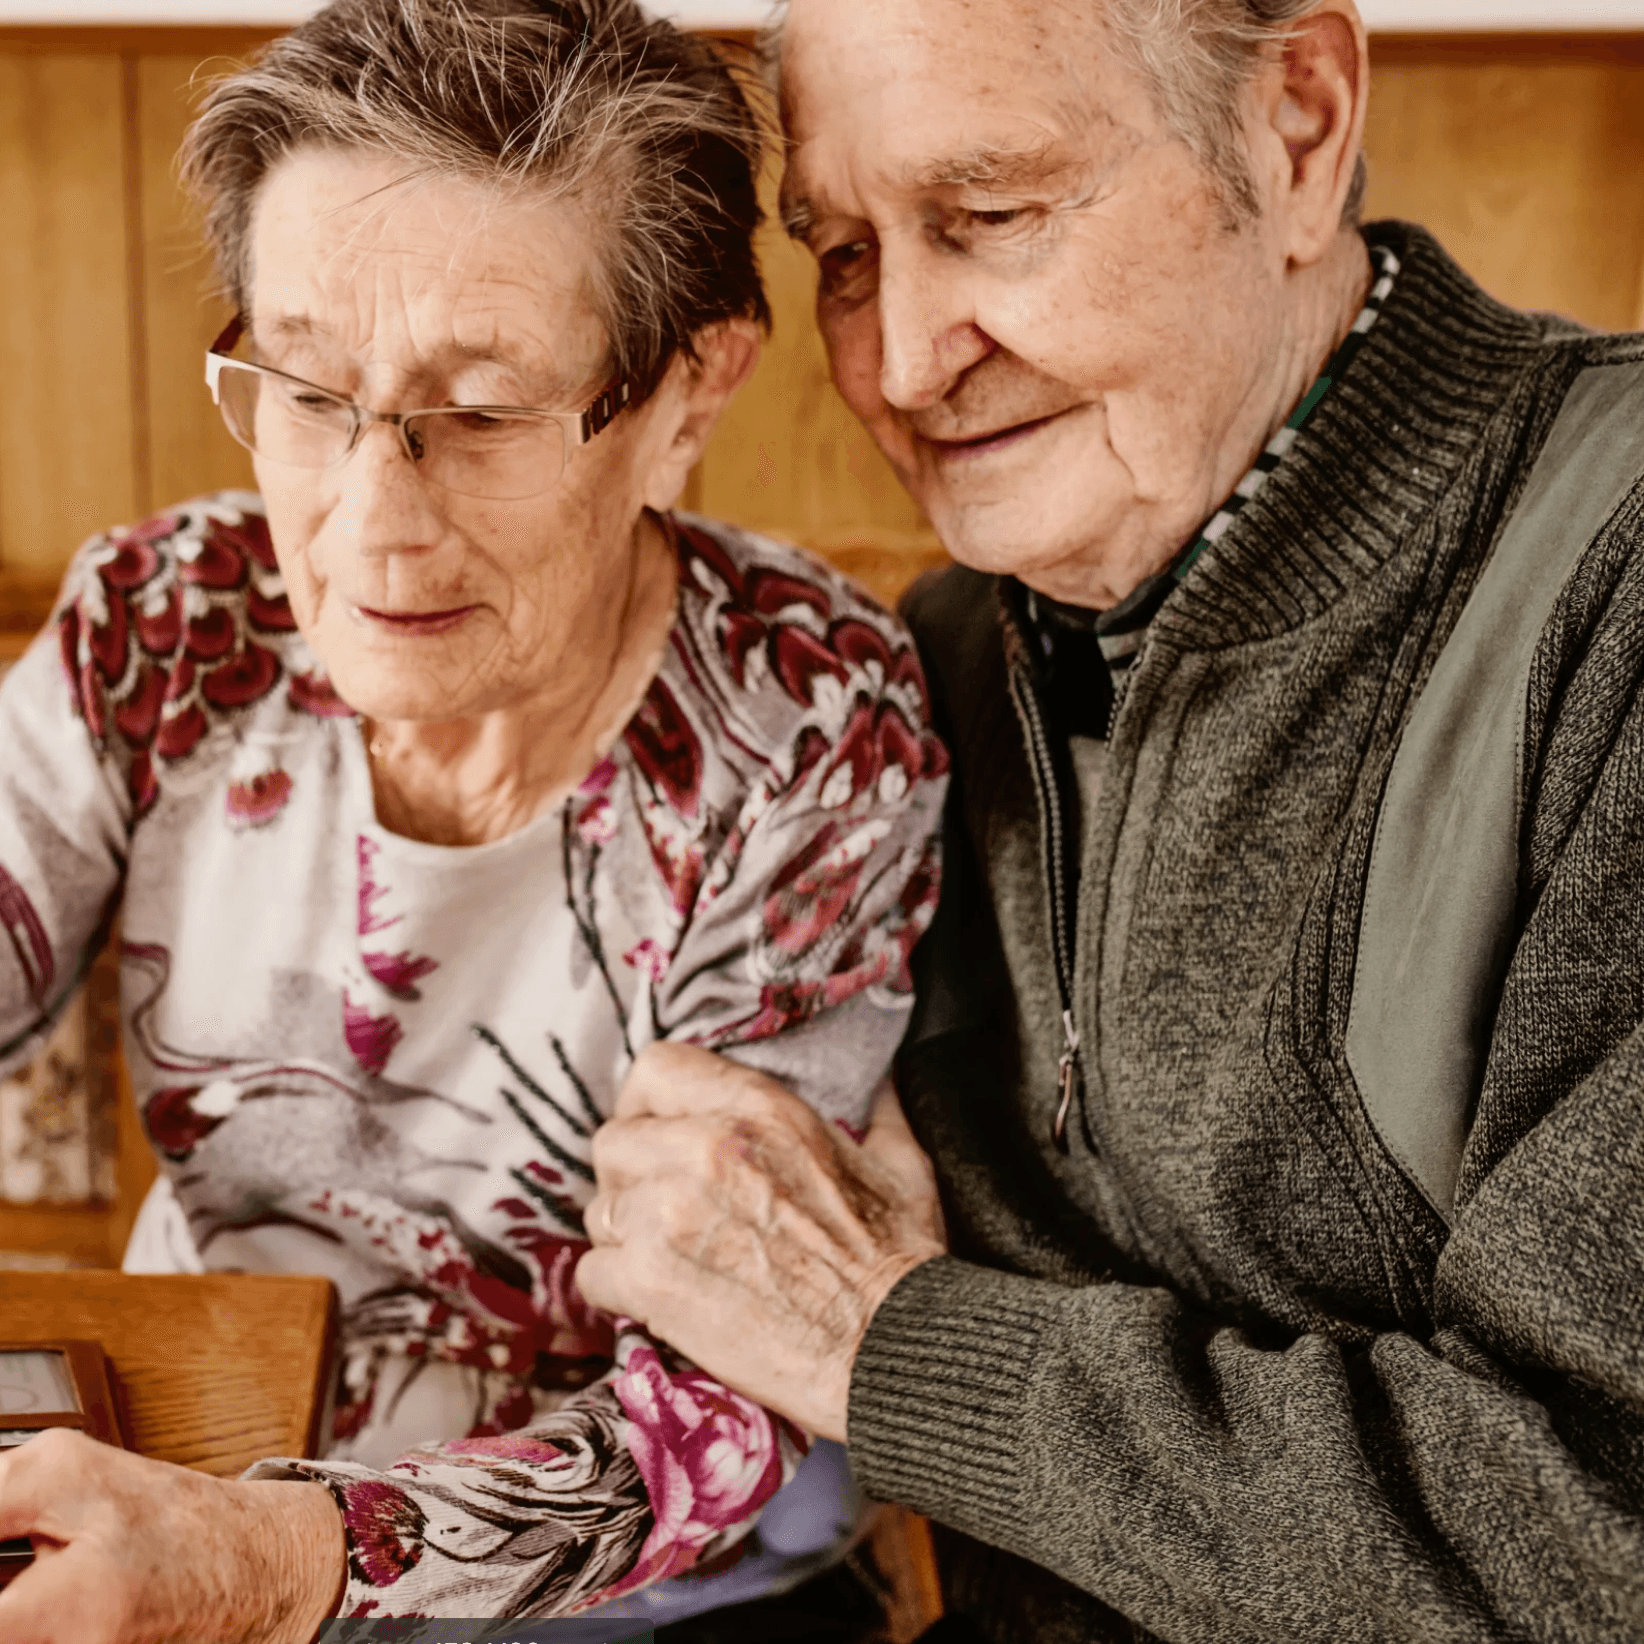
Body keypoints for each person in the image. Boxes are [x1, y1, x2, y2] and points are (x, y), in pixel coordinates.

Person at [576, 0, 1644, 1639]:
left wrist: (883, 1344)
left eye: (991, 213)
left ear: (1296, 129)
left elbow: (1597, 1534)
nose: (903, 364)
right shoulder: (914, 674)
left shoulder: (1613, 582)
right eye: (845, 255)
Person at [0, 1, 947, 1639]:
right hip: (195, 1453)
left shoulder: (807, 729)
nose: (371, 528)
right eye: (306, 391)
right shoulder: (172, 618)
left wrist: (280, 1563)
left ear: (688, 394)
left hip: (646, 1596)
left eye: (486, 412)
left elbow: (727, 1390)